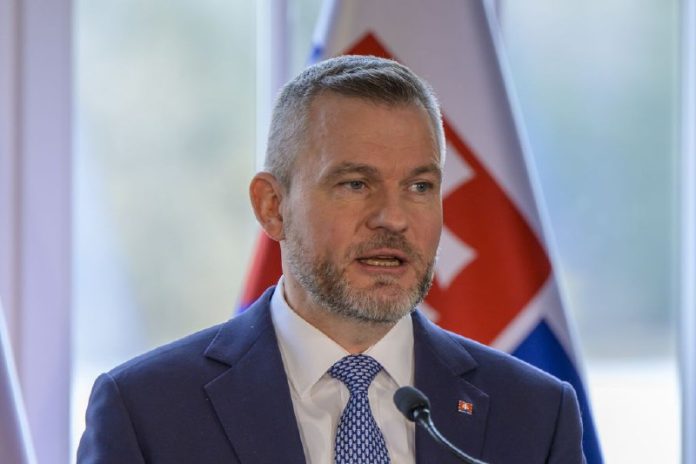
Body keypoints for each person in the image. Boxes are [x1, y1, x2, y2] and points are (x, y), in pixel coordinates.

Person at [77, 55, 586, 464]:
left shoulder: (536, 414)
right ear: (272, 206)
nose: (393, 218)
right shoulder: (147, 411)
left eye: (419, 186)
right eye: (355, 184)